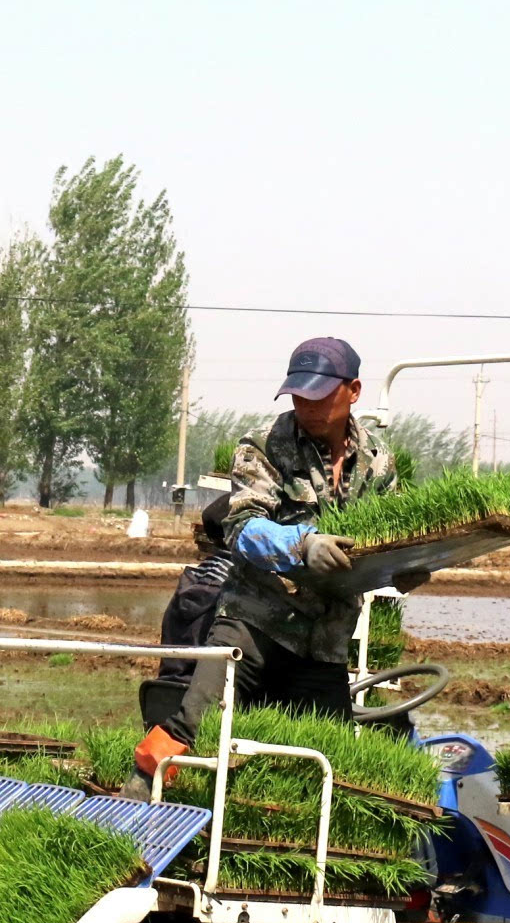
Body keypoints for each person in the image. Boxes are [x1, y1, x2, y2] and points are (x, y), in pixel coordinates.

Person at [132, 337, 408, 786]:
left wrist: (404, 566)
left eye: (320, 395)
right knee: (188, 733)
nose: (307, 405)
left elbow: (388, 536)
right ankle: (137, 818)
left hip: (325, 640)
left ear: (353, 391)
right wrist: (304, 544)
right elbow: (243, 526)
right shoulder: (264, 444)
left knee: (322, 762)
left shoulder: (379, 462)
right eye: (299, 395)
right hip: (254, 626)